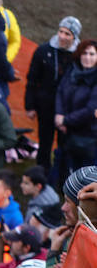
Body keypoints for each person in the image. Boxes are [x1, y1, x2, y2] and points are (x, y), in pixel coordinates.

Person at [26, 17, 80, 177]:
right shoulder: (43, 51)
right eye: (61, 32)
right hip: (45, 107)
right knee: (45, 143)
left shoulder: (79, 56)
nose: (62, 37)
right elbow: (32, 79)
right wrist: (29, 105)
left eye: (68, 34)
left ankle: (63, 177)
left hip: (68, 110)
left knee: (65, 145)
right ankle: (41, 176)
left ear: (74, 37)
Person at [54, 39, 97, 181]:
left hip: (87, 136)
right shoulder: (72, 70)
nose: (87, 57)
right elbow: (60, 90)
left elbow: (90, 110)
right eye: (84, 53)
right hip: (67, 132)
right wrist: (60, 115)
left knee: (85, 175)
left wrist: (66, 120)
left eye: (92, 54)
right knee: (66, 167)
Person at [19, 166, 65, 232]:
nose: (21, 185)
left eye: (26, 183)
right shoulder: (51, 193)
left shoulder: (36, 211)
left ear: (38, 186)